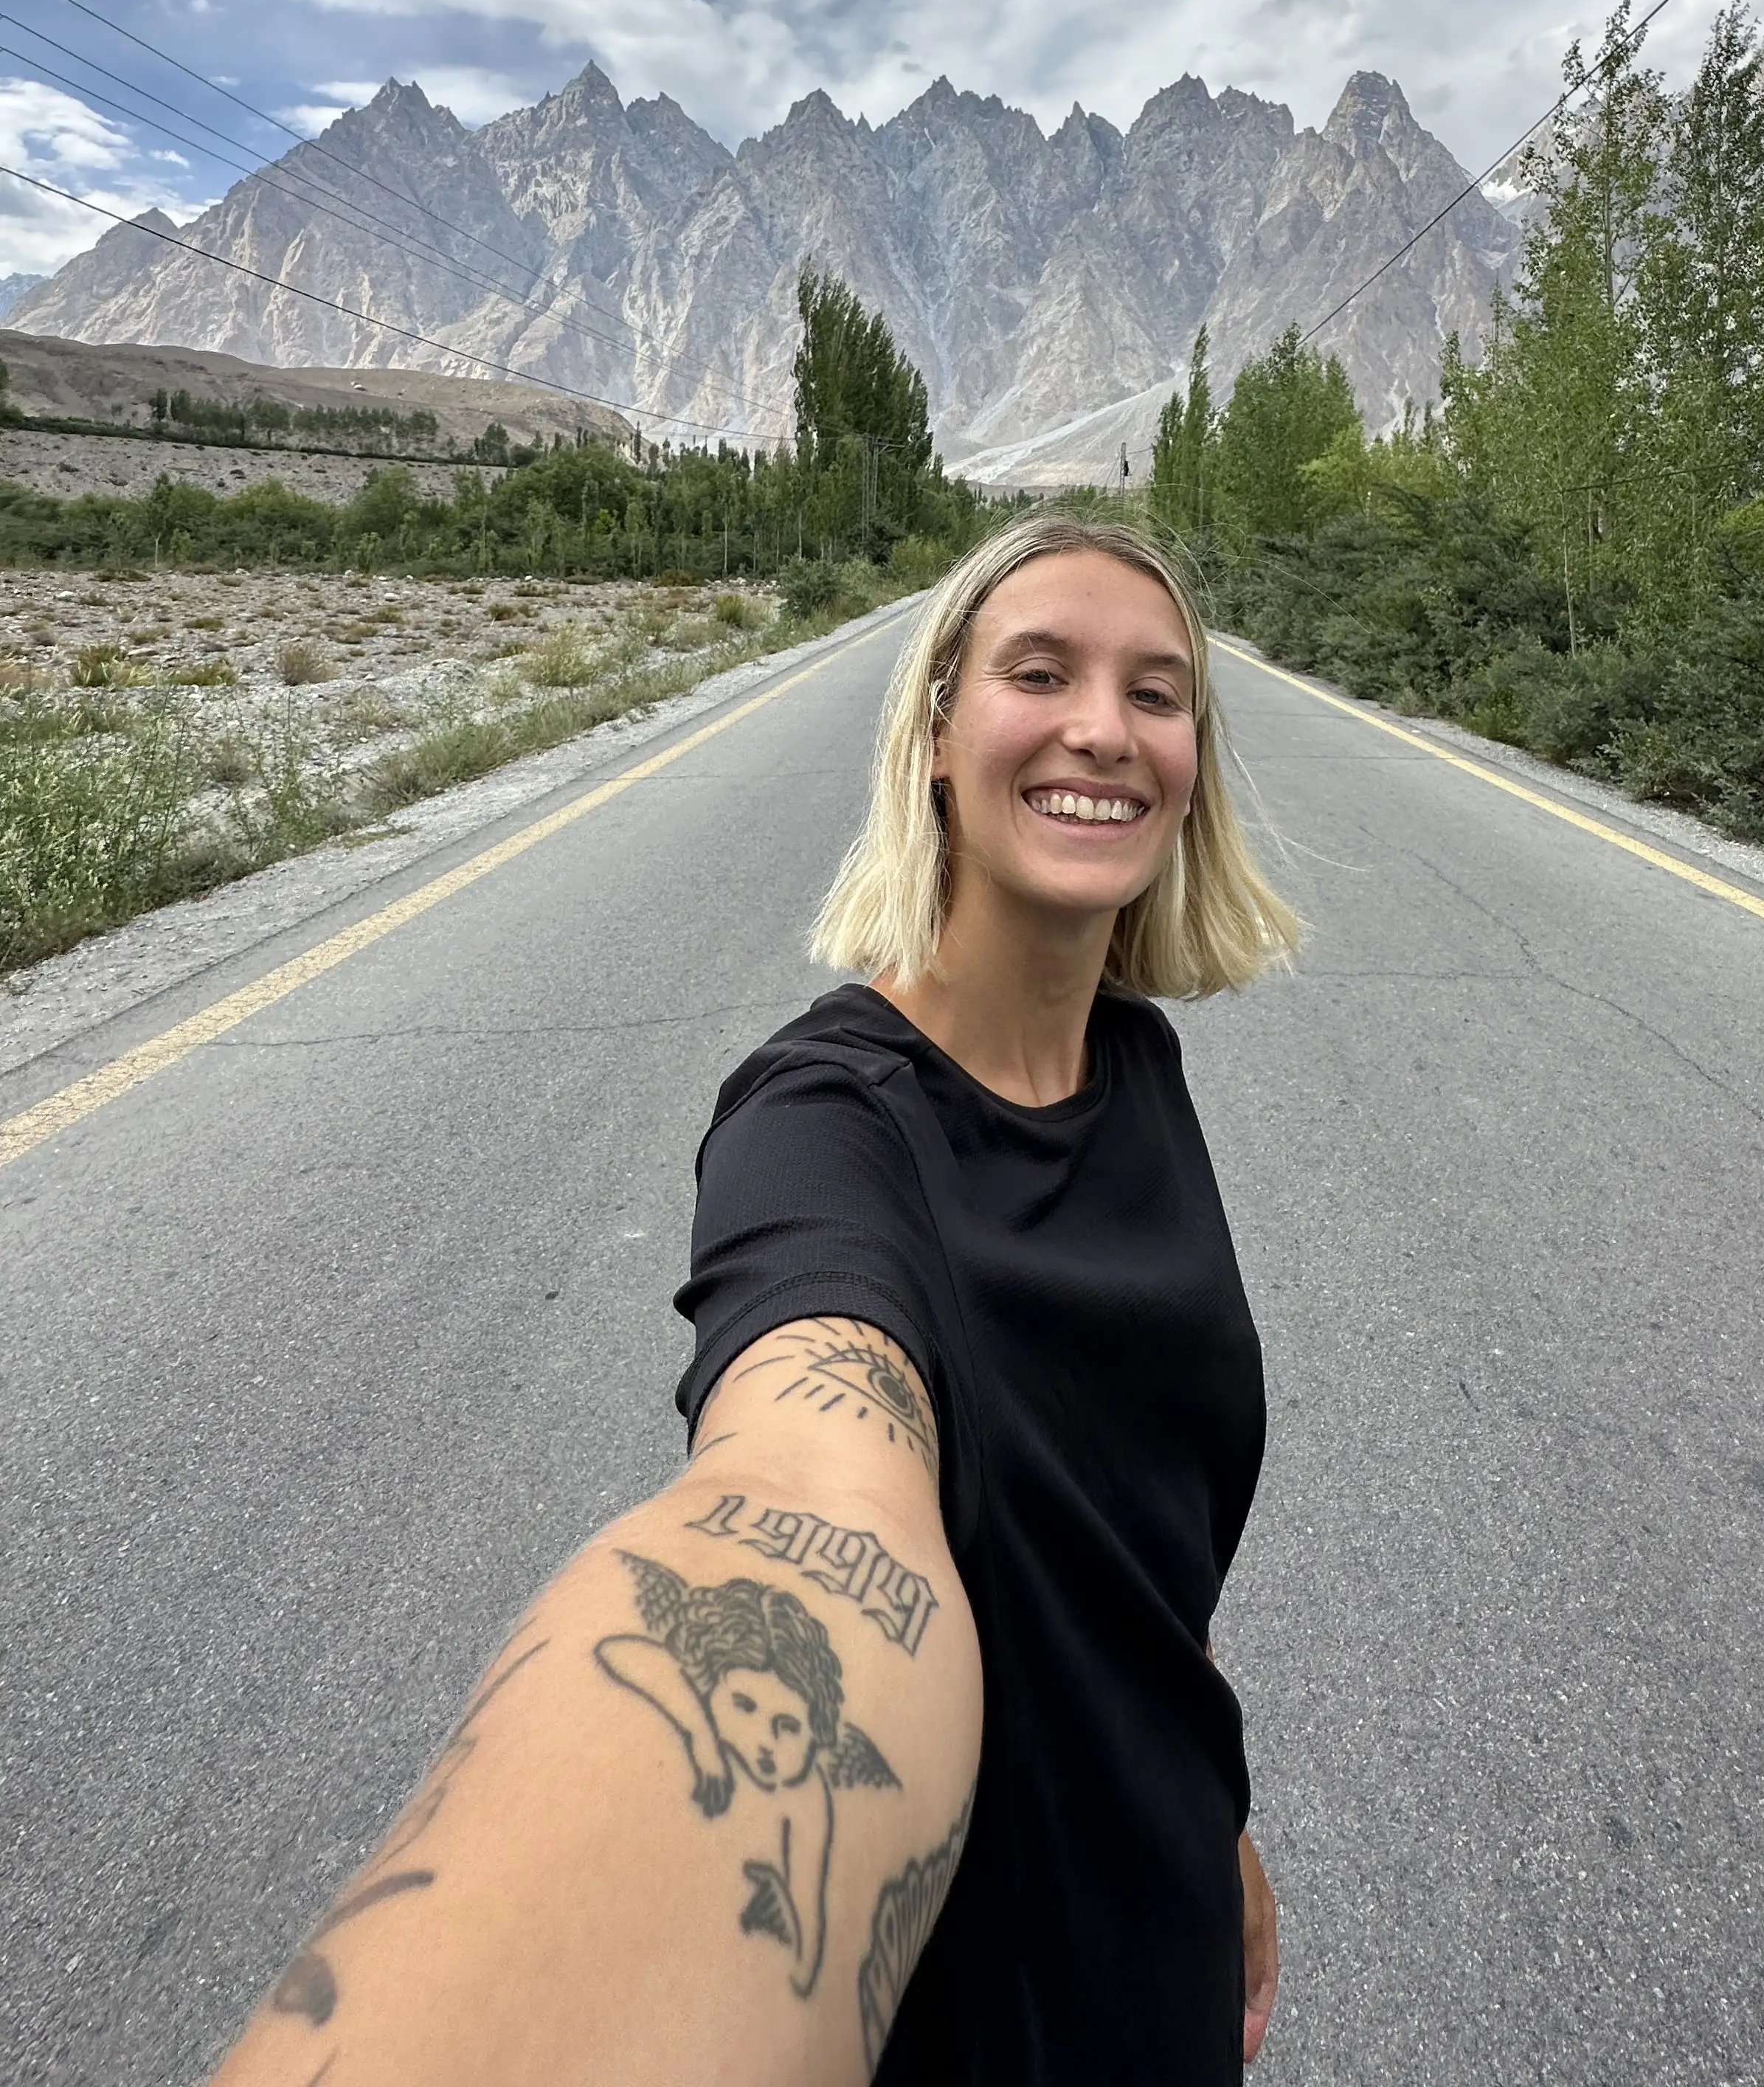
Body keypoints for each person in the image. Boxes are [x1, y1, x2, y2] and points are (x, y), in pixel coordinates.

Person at [208, 508, 1298, 2087]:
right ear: (936, 733)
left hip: (1170, 1949)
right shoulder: (823, 1122)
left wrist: (1215, 1817)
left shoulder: (1141, 1072)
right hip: (976, 2006)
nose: (1100, 729)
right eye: (1040, 671)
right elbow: (803, 1483)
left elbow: (1139, 1545)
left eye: (1157, 691)